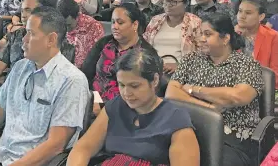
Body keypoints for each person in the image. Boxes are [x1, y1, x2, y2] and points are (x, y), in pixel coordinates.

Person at [0, 6, 90, 166]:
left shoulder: (71, 80)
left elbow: (56, 145)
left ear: (51, 39)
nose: (24, 39)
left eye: (31, 33)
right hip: (0, 157)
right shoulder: (20, 67)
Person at [68, 48, 199, 166]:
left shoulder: (176, 120)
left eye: (134, 86)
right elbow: (83, 148)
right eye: (122, 85)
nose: (126, 93)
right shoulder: (116, 105)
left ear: (154, 80)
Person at [165, 13, 264, 166]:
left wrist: (192, 89)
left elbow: (238, 96)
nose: (201, 39)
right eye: (200, 34)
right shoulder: (191, 59)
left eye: (207, 34)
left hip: (232, 138)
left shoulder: (246, 65)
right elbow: (171, 94)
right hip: (190, 130)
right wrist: (210, 109)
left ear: (225, 38)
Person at [82, 3, 156, 115]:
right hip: (93, 101)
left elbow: (145, 92)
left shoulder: (145, 53)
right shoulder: (104, 43)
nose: (114, 26)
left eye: (120, 23)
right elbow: (86, 74)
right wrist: (95, 99)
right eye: (113, 22)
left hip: (125, 109)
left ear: (135, 25)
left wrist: (106, 109)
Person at [144, 0, 202, 74]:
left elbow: (203, 52)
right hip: (154, 69)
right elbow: (145, 46)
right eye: (166, 0)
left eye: (173, 2)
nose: (168, 5)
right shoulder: (155, 21)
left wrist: (180, 65)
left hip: (182, 71)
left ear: (186, 3)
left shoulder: (195, 22)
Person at [235, 0, 278, 89]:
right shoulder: (230, 34)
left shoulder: (273, 37)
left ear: (261, 17)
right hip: (232, 86)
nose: (242, 16)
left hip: (262, 88)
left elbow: (275, 74)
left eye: (248, 13)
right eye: (240, 11)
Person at [57, 0, 104, 69]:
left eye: (68, 25)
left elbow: (96, 56)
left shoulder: (93, 27)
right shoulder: (56, 24)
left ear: (77, 16)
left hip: (84, 70)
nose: (66, 30)